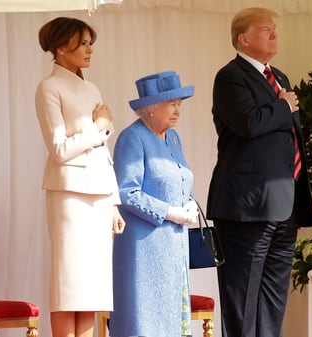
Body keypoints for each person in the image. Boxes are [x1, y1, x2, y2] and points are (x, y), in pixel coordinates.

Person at [206, 7, 312, 337]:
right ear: (244, 39)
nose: (274, 35)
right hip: (247, 205)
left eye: (275, 30)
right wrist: (283, 106)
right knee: (242, 296)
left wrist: (282, 106)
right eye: (266, 30)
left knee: (272, 297)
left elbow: (289, 135)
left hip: (285, 202)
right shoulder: (230, 77)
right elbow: (249, 124)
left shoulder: (280, 77)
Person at [35, 17, 125, 337]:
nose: (90, 50)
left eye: (91, 43)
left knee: (93, 286)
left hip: (100, 195)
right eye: (83, 43)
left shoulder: (91, 88)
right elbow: (59, 148)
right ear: (61, 47)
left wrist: (114, 202)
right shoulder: (49, 87)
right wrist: (98, 127)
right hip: (69, 194)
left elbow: (104, 150)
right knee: (69, 281)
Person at [110, 71, 198, 337]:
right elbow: (126, 191)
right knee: (145, 320)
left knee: (172, 319)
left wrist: (190, 204)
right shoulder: (132, 138)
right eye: (171, 105)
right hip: (144, 248)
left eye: (179, 105)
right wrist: (169, 212)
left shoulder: (173, 138)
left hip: (175, 246)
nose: (177, 112)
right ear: (150, 108)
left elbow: (180, 180)